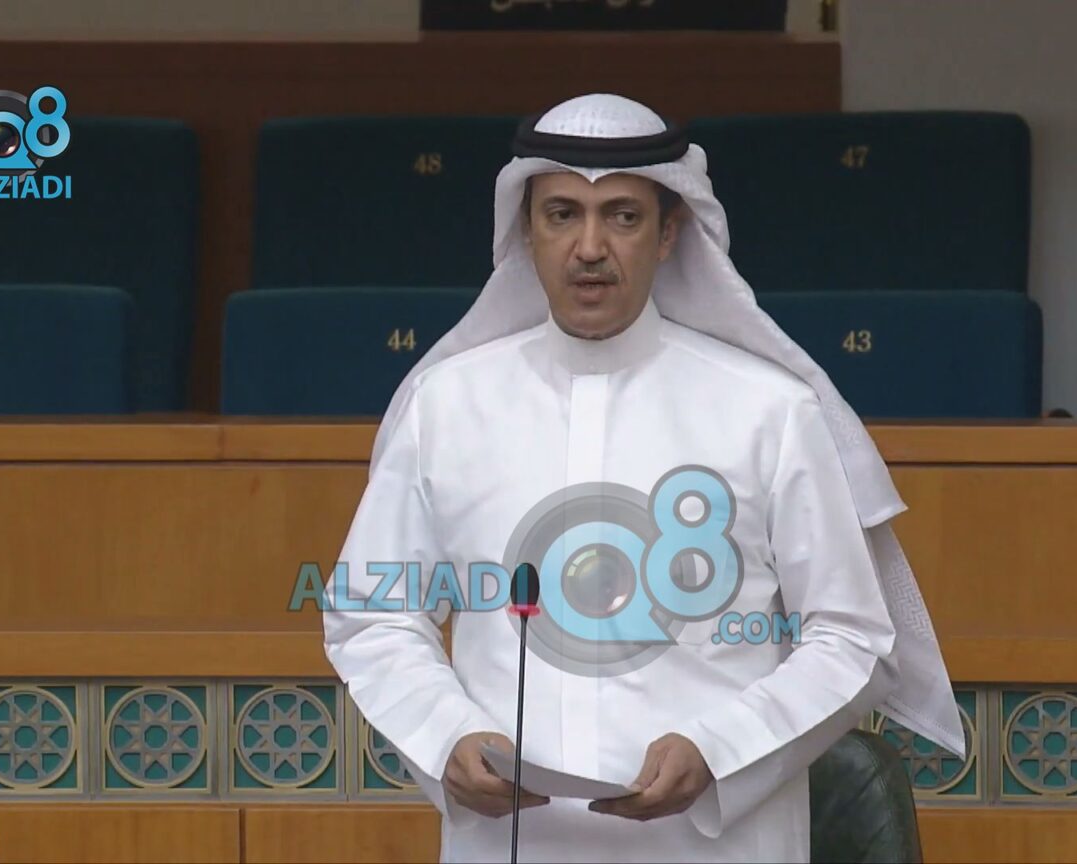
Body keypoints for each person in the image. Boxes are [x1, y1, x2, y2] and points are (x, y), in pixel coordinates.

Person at [322, 93, 962, 863]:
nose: (590, 247)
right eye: (562, 214)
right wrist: (445, 733)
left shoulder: (770, 412)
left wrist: (717, 748)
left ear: (668, 234)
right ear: (526, 230)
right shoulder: (447, 405)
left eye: (622, 216)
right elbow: (374, 614)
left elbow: (853, 638)